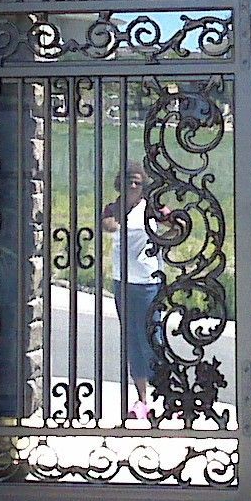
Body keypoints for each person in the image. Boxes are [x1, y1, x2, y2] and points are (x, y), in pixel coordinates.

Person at [101, 163, 168, 422]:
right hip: (123, 282)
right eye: (128, 180)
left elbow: (177, 224)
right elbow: (107, 224)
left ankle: (165, 394)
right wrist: (114, 220)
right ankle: (142, 400)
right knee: (132, 340)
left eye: (137, 182)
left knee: (152, 338)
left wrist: (167, 235)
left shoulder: (151, 208)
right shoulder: (113, 209)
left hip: (148, 282)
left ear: (144, 185)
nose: (132, 185)